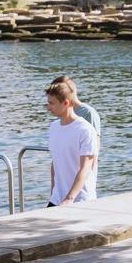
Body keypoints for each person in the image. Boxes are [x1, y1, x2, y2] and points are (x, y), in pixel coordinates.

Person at [44, 76, 99, 207]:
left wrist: (69, 198)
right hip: (57, 198)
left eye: (52, 103)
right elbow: (55, 162)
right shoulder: (53, 127)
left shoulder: (85, 129)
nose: (48, 107)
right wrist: (53, 192)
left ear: (66, 103)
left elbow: (85, 167)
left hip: (80, 200)